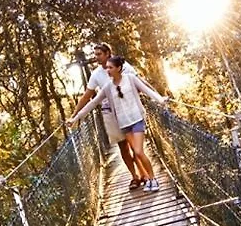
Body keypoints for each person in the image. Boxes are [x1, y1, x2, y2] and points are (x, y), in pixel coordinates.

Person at [68, 56, 167, 192]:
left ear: (118, 68)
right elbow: (93, 103)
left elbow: (146, 90)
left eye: (110, 67)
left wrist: (160, 100)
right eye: (107, 68)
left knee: (138, 151)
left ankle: (152, 179)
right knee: (137, 153)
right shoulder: (108, 87)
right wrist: (75, 118)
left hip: (137, 119)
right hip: (124, 124)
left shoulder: (130, 79)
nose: (107, 70)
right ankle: (150, 180)